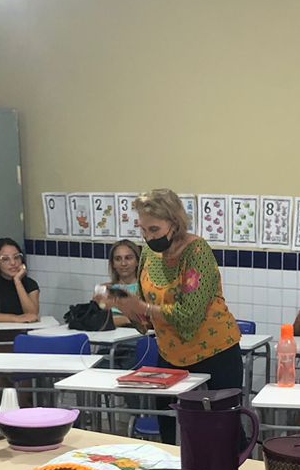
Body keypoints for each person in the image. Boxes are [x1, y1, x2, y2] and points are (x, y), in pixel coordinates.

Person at [104, 189, 244, 444]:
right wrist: (127, 307)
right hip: (170, 353)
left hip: (215, 352)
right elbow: (147, 322)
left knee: (223, 429)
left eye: (154, 230)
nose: (148, 237)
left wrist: (143, 308)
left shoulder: (196, 251)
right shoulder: (148, 254)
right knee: (167, 424)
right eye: (143, 230)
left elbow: (189, 315)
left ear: (175, 223)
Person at [102, 239, 142, 327]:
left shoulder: (146, 289)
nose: (123, 263)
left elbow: (147, 321)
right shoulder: (104, 289)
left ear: (137, 261)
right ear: (113, 264)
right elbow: (98, 321)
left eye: (128, 258)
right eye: (118, 259)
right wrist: (126, 319)